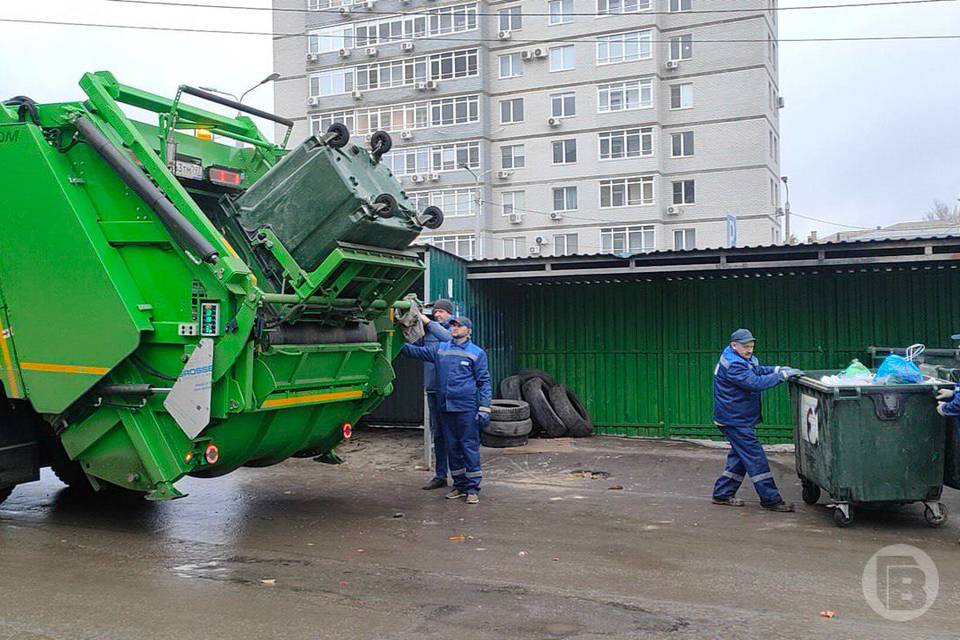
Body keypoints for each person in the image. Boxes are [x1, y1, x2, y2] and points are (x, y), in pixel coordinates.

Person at [401, 317, 492, 505]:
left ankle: (473, 488)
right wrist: (392, 339)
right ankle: (459, 485)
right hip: (446, 407)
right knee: (452, 447)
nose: (455, 328)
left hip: (466, 408)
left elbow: (484, 382)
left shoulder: (477, 353)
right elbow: (414, 352)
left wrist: (484, 408)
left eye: (459, 325)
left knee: (468, 447)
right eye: (453, 325)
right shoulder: (441, 349)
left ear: (469, 330)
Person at [712, 328, 804, 512]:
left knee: (740, 456)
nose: (750, 350)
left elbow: (757, 370)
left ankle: (722, 494)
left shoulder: (740, 358)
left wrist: (778, 369)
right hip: (735, 419)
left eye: (752, 346)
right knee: (755, 458)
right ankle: (771, 500)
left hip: (737, 417)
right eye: (746, 347)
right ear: (734, 345)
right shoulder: (733, 364)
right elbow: (754, 382)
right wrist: (781, 376)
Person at [416, 299, 453, 490]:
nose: (437, 315)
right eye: (435, 312)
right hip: (432, 389)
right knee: (438, 434)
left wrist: (427, 321)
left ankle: (460, 477)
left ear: (449, 313)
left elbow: (448, 339)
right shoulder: (429, 331)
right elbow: (416, 346)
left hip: (451, 392)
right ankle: (440, 475)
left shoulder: (454, 329)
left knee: (454, 434)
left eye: (441, 312)